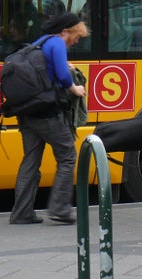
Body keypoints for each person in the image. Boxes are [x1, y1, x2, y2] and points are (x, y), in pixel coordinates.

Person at [10, 12, 89, 225]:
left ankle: (22, 213)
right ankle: (60, 209)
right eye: (76, 36)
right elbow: (63, 77)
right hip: (48, 113)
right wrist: (76, 88)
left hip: (28, 112)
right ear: (64, 31)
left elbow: (47, 67)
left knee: (30, 160)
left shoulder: (41, 42)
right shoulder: (57, 43)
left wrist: (66, 65)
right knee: (67, 156)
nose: (76, 40)